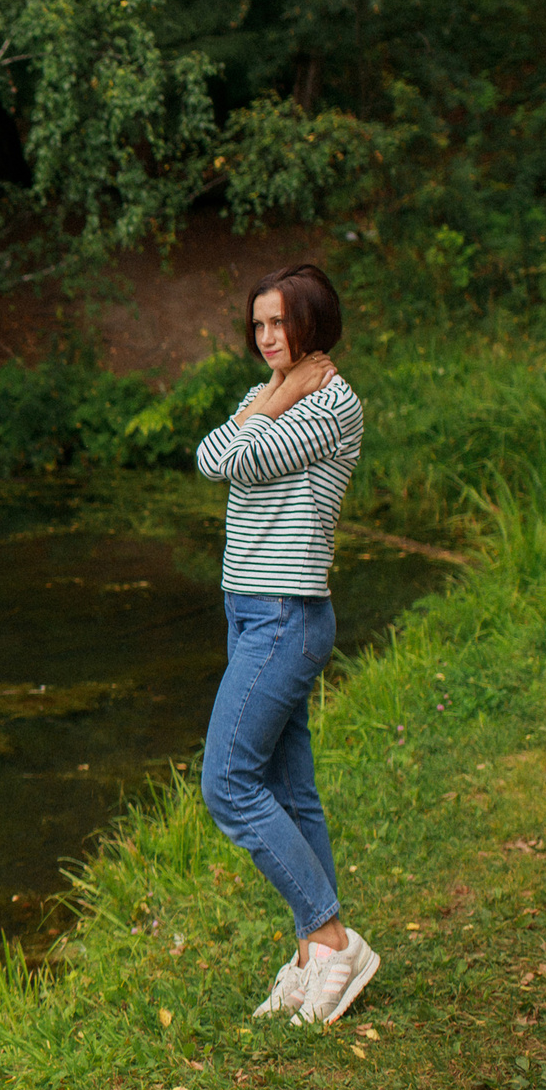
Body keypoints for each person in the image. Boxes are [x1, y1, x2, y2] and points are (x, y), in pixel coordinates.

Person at [195, 262, 378, 1027]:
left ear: (314, 323)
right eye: (259, 324)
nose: (268, 337)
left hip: (286, 614)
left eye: (281, 323)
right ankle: (312, 954)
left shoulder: (332, 403)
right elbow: (209, 459)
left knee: (228, 781)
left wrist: (275, 403)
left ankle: (335, 941)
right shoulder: (273, 393)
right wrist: (275, 393)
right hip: (249, 610)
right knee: (290, 787)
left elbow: (245, 457)